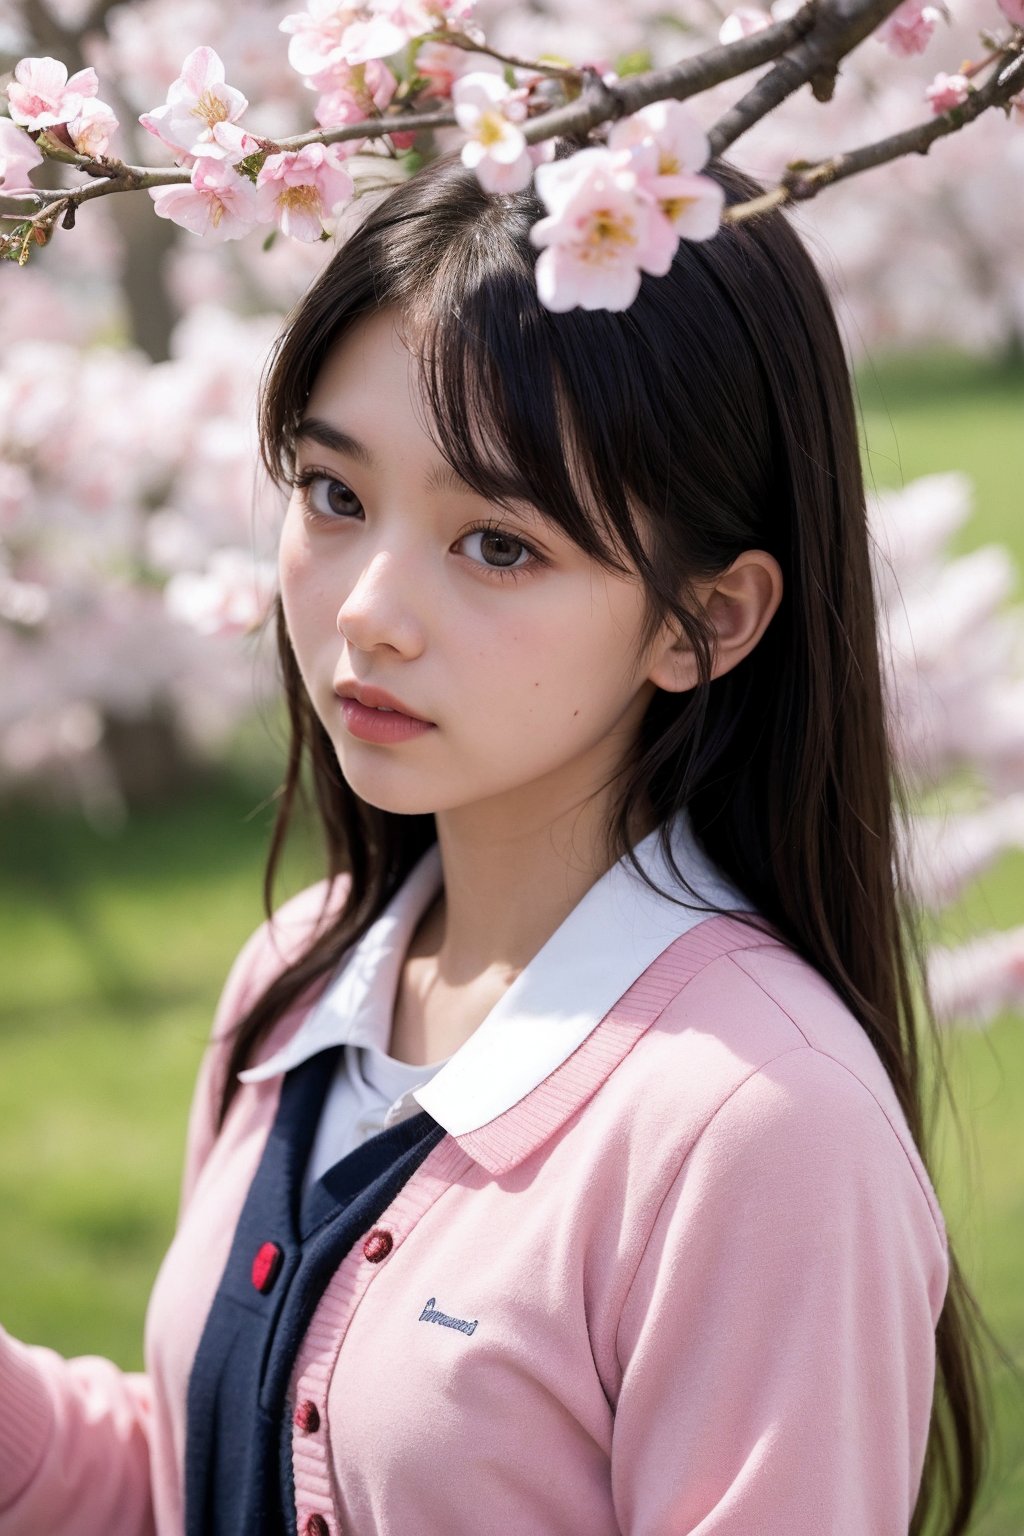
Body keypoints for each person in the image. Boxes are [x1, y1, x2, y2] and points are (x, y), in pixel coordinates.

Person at [0, 151, 986, 1536]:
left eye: (500, 546)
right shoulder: (304, 980)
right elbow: (196, 1481)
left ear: (707, 620)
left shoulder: (756, 1130)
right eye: (336, 497)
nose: (369, 613)